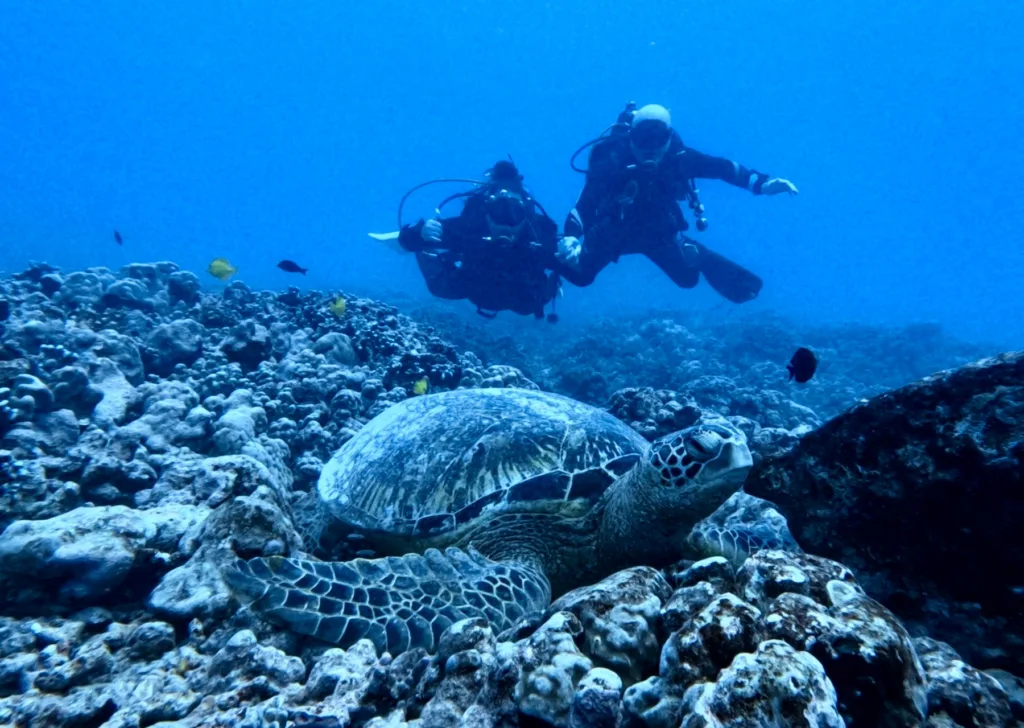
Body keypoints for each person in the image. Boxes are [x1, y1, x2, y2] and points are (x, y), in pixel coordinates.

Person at [558, 103, 799, 303]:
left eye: (659, 138)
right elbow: (585, 204)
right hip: (611, 232)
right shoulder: (612, 161)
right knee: (580, 277)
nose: (650, 148)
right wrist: (569, 237)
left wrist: (761, 184)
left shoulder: (679, 159)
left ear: (669, 138)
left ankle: (693, 251)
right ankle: (539, 249)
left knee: (688, 280)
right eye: (643, 138)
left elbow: (722, 168)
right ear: (631, 138)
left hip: (658, 233)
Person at [397, 160, 567, 321]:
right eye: (498, 211)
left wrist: (569, 251)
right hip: (473, 287)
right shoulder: (472, 225)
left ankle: (445, 254)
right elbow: (407, 240)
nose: (506, 223)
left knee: (530, 305)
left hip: (524, 297)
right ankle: (438, 255)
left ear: (526, 216)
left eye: (515, 213)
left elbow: (576, 268)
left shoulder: (537, 232)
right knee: (440, 286)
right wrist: (420, 231)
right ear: (487, 211)